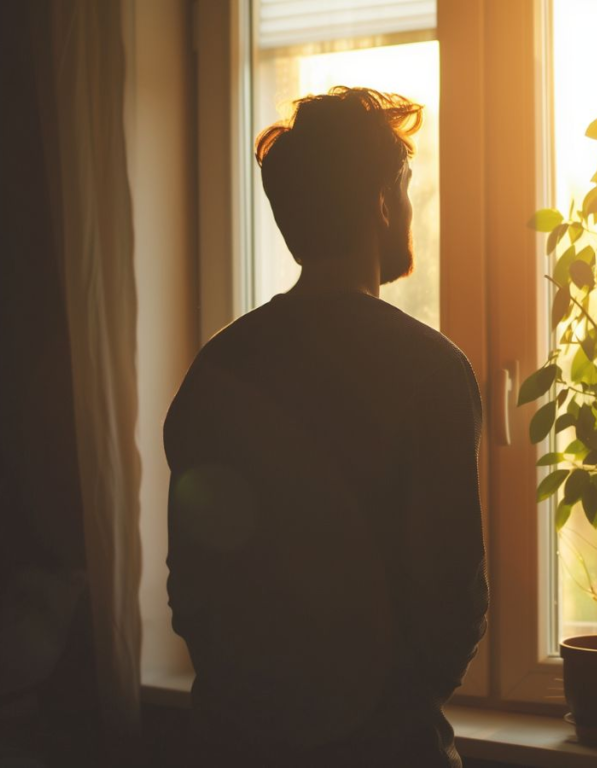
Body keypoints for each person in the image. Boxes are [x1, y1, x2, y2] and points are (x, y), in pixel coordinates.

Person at [164, 87, 488, 768]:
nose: (409, 210)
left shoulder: (216, 370)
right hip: (388, 747)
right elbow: (452, 597)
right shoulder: (431, 371)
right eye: (404, 188)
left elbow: (192, 587)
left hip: (234, 743)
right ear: (380, 202)